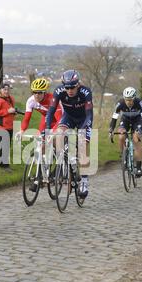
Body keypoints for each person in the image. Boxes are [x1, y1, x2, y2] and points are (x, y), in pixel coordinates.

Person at [46, 70, 93, 199]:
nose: (70, 90)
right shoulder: (59, 91)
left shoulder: (86, 92)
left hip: (84, 119)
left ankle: (84, 181)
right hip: (68, 117)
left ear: (78, 85)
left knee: (83, 145)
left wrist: (82, 130)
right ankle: (63, 163)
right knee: (58, 135)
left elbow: (89, 114)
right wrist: (48, 129)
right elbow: (50, 112)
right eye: (67, 87)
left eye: (72, 87)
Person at [109, 87, 142, 177]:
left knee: (136, 140)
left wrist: (141, 128)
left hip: (137, 121)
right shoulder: (120, 103)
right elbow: (114, 118)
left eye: (130, 100)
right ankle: (123, 156)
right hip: (125, 120)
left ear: (134, 98)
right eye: (126, 100)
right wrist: (111, 130)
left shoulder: (140, 102)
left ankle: (138, 167)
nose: (128, 102)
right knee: (121, 136)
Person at [0, 82, 17, 169]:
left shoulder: (11, 99)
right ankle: (2, 165)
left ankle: (5, 164)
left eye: (8, 89)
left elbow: (11, 109)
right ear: (1, 90)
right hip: (1, 126)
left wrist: (14, 112)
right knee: (2, 145)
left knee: (7, 145)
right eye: (5, 89)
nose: (6, 91)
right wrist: (7, 111)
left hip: (10, 126)